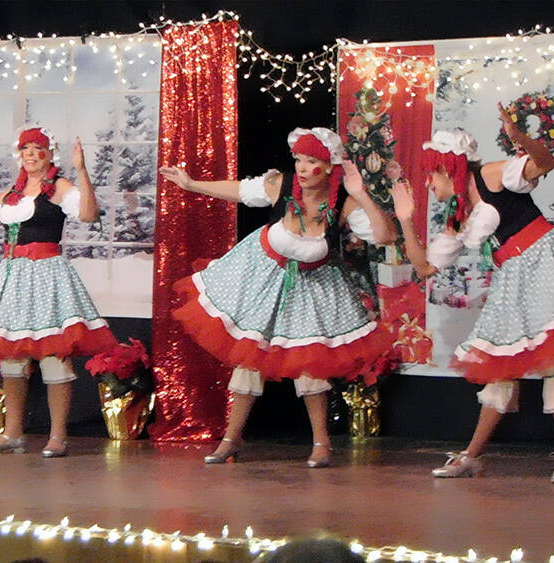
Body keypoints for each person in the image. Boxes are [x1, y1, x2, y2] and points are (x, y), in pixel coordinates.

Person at [391, 104, 554, 483]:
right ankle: (472, 455)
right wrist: (405, 219)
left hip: (546, 263)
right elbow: (426, 268)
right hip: (513, 276)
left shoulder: (492, 175)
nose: (429, 184)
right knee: (499, 364)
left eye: (432, 174)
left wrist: (520, 140)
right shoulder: (457, 215)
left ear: (449, 166)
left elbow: (545, 163)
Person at [160, 127, 396, 466]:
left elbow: (385, 236)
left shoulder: (343, 203)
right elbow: (240, 191)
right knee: (249, 357)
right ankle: (231, 439)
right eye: (299, 159)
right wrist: (191, 183)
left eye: (311, 160)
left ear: (329, 166)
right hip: (262, 277)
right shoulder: (281, 186)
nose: (301, 167)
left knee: (311, 363)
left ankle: (321, 444)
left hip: (314, 286)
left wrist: (360, 194)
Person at [0, 126, 116, 458]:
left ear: (50, 154)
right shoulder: (12, 194)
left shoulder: (58, 187)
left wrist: (80, 170)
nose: (31, 154)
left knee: (53, 355)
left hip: (48, 274)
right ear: (18, 154)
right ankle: (13, 434)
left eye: (38, 148)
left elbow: (89, 214)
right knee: (12, 357)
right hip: (14, 277)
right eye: (26, 148)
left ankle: (57, 435)